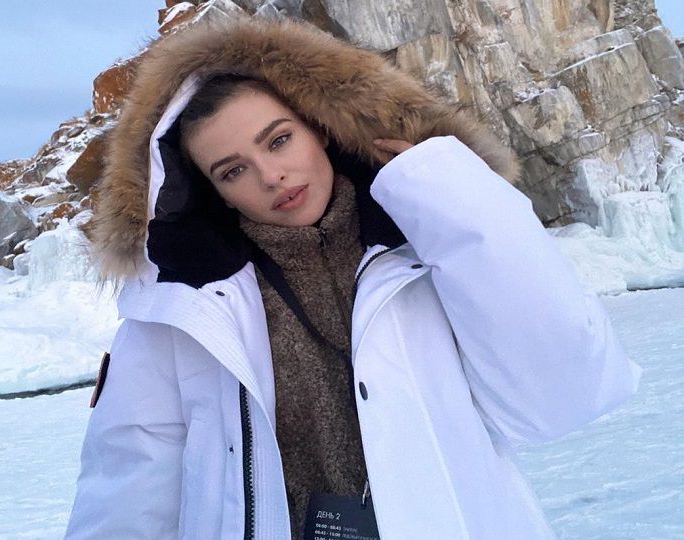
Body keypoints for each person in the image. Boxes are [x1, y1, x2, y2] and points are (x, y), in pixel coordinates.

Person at [64, 16, 642, 540]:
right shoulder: (179, 309)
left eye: (279, 140)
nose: (271, 176)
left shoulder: (423, 251)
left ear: (319, 127)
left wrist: (450, 194)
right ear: (211, 191)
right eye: (233, 170)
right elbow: (129, 492)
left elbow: (562, 399)